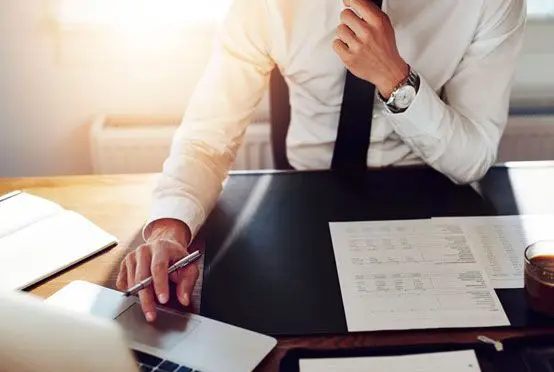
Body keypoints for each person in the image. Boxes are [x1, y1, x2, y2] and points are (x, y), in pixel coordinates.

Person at [116, 0, 526, 321]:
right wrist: (169, 228)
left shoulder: (490, 3)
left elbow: (473, 157)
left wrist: (394, 78)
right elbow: (207, 139)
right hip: (301, 209)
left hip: (430, 206)